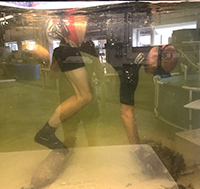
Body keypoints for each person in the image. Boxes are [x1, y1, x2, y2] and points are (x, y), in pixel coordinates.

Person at [34, 16, 178, 150]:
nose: (154, 73)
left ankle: (49, 133)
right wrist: (136, 148)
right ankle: (46, 132)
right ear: (155, 57)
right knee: (85, 96)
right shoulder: (131, 68)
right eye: (158, 70)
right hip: (70, 46)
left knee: (85, 98)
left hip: (69, 42)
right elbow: (126, 114)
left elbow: (55, 73)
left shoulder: (134, 48)